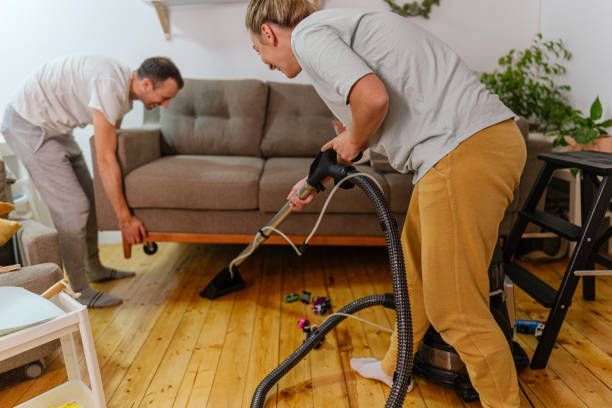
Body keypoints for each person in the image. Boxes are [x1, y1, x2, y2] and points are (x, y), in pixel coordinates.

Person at [245, 1, 526, 407]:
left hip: (462, 150)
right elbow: (351, 129)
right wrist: (313, 178)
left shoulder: (309, 36)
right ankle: (394, 366)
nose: (266, 63)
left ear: (268, 33)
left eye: (259, 52)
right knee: (412, 274)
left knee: (455, 308)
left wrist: (352, 140)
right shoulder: (335, 34)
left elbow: (372, 101)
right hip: (462, 149)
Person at [1, 56, 183, 308]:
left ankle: (94, 268)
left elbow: (109, 151)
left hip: (57, 131)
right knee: (73, 210)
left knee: (91, 199)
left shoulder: (123, 93)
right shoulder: (110, 86)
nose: (165, 105)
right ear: (146, 84)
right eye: (164, 98)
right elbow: (105, 159)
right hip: (28, 126)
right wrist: (125, 219)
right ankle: (78, 291)